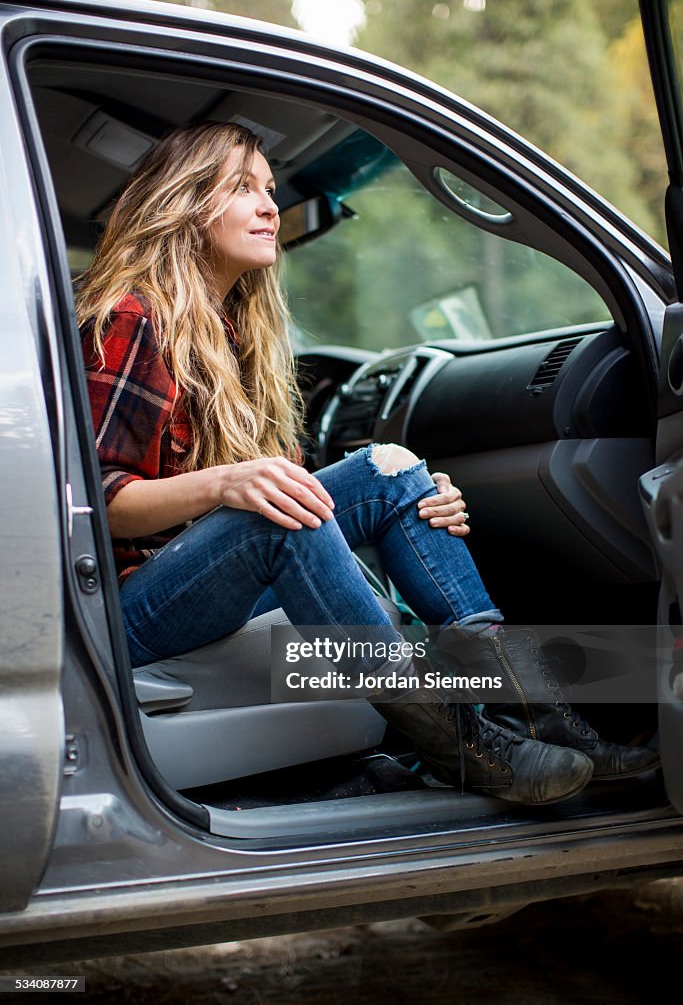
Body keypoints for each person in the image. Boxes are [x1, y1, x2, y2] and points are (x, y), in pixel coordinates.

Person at [77, 121, 658, 808]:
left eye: (269, 190)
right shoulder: (130, 317)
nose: (270, 207)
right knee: (277, 520)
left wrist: (414, 503)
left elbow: (304, 487)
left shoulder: (236, 337)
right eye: (242, 189)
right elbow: (95, 499)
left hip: (200, 580)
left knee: (391, 469)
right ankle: (459, 745)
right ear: (182, 202)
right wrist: (224, 483)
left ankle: (541, 714)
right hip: (123, 608)